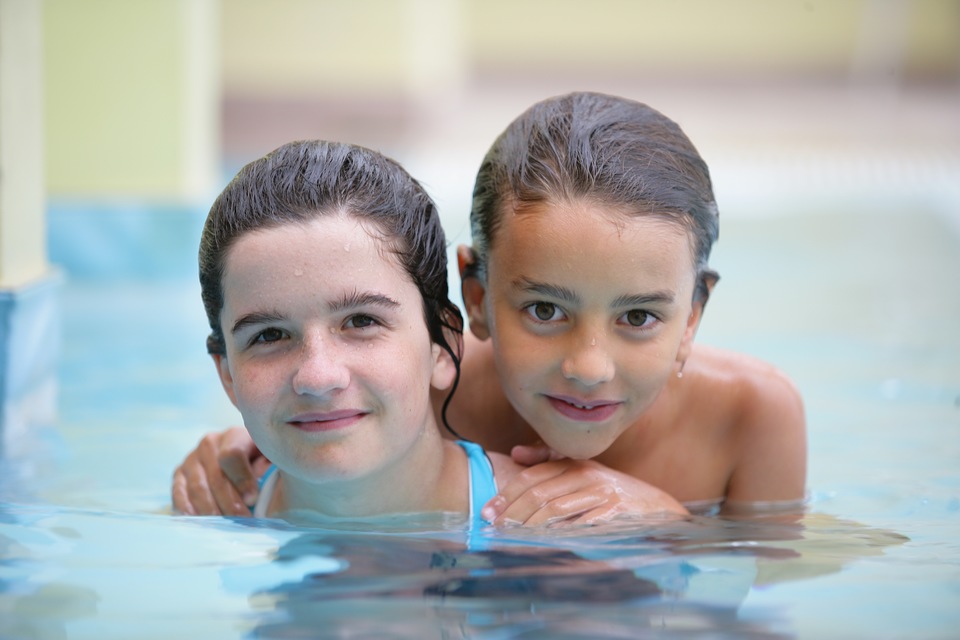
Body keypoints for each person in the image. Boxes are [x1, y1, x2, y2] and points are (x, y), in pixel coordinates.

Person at [174, 92, 805, 524]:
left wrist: (664, 520)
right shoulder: (439, 387)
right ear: (473, 299)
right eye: (544, 311)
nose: (589, 368)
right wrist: (251, 448)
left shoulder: (753, 416)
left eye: (638, 318)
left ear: (691, 316)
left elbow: (770, 589)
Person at [196, 138, 523, 523]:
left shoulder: (548, 524)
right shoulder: (213, 509)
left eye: (362, 321)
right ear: (227, 376)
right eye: (268, 335)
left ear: (442, 346)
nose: (318, 377)